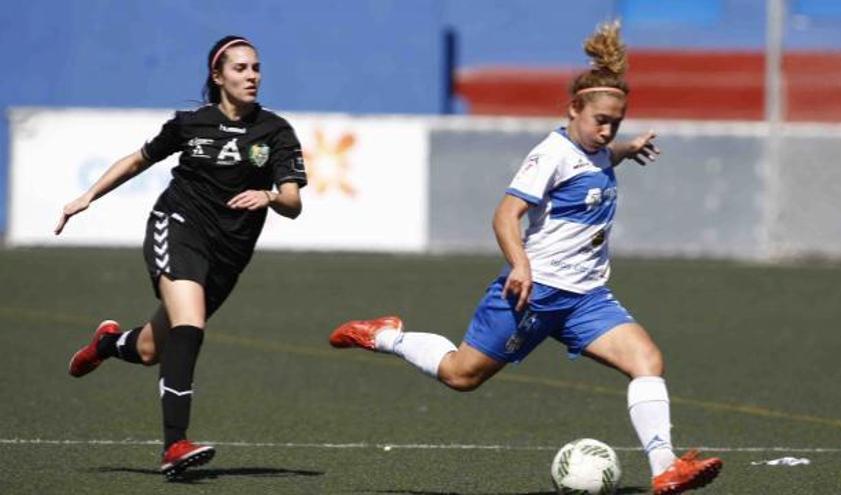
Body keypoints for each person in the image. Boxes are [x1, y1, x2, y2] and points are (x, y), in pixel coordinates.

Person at [329, 21, 721, 495]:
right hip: (533, 292)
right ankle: (387, 336)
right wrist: (521, 264)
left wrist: (624, 150)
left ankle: (665, 467)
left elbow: (597, 160)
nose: (607, 129)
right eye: (600, 120)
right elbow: (505, 214)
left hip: (586, 297)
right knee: (461, 375)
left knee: (647, 360)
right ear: (573, 109)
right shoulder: (551, 153)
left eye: (616, 123)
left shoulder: (596, 149)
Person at [56, 35, 307, 480]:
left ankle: (107, 344)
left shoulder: (276, 132)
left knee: (153, 349)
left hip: (229, 255)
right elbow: (138, 160)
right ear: (217, 76)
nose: (252, 76)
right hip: (178, 225)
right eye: (241, 69)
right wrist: (87, 196)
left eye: (256, 68)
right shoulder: (190, 123)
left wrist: (268, 195)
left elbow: (292, 203)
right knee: (190, 325)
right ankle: (175, 445)